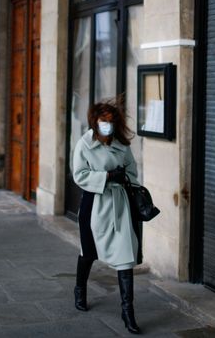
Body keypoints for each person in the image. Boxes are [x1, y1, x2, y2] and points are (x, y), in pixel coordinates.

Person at [71, 100, 142, 334]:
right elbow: (79, 175)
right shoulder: (84, 144)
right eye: (103, 122)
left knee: (125, 257)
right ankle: (80, 289)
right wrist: (108, 176)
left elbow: (133, 172)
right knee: (88, 252)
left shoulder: (122, 145)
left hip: (119, 205)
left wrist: (124, 179)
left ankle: (127, 312)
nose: (107, 126)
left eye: (111, 122)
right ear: (95, 122)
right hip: (94, 203)